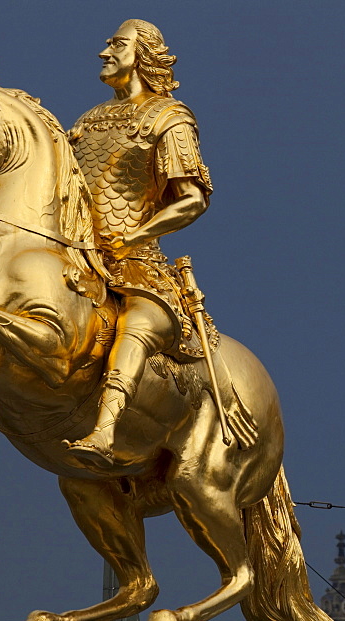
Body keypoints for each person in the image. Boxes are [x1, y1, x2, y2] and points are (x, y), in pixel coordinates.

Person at [65, 19, 213, 468]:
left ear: (143, 55)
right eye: (108, 42)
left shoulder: (169, 118)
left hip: (138, 267)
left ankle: (105, 429)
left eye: (117, 44)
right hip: (79, 259)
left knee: (137, 325)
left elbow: (192, 200)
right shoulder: (87, 122)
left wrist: (134, 236)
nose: (104, 52)